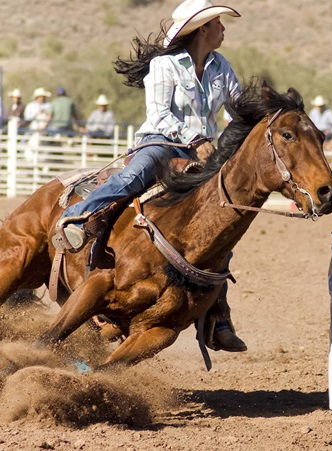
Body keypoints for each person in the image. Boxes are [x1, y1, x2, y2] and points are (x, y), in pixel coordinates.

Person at [55, 0, 246, 352]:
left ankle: (218, 313)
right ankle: (77, 219)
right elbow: (159, 114)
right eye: (218, 23)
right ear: (203, 29)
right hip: (163, 143)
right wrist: (198, 139)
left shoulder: (222, 67)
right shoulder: (164, 65)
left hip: (204, 155)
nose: (223, 29)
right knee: (135, 174)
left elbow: (238, 109)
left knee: (220, 223)